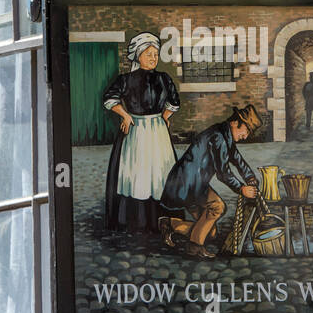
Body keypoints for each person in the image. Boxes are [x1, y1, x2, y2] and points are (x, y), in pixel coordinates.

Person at [159, 104, 261, 259]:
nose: (245, 137)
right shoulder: (219, 137)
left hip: (193, 184)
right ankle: (194, 247)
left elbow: (237, 158)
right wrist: (241, 188)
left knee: (211, 232)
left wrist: (250, 177)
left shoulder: (225, 134)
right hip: (188, 184)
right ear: (235, 123)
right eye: (245, 131)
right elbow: (223, 173)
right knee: (217, 207)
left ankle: (170, 224)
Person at [103, 33, 180, 233]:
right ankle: (136, 221)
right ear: (138, 56)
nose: (153, 58)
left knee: (160, 172)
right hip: (136, 131)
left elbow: (174, 101)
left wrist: (165, 117)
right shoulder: (126, 80)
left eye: (156, 54)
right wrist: (125, 116)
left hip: (157, 131)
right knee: (138, 173)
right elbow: (110, 99)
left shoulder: (163, 78)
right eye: (149, 54)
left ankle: (160, 219)